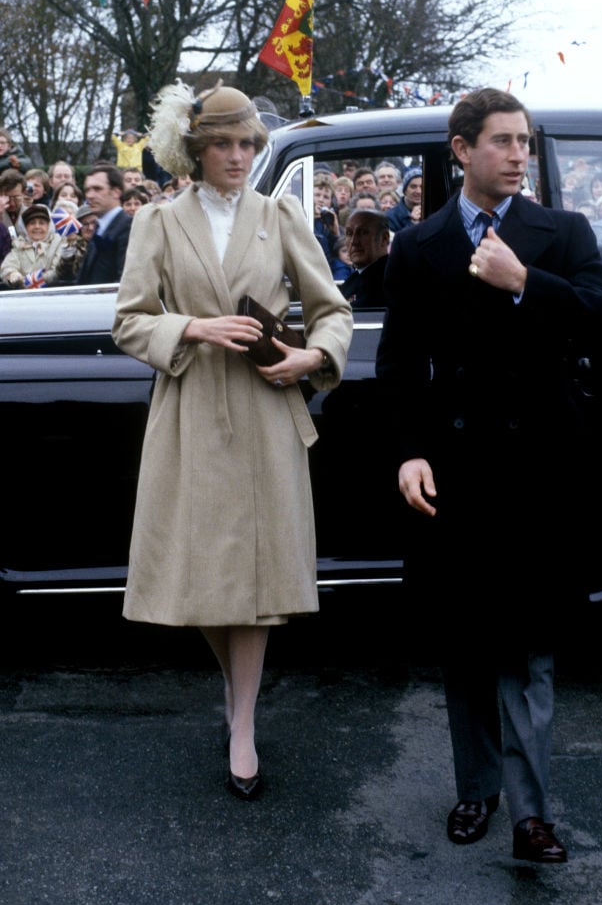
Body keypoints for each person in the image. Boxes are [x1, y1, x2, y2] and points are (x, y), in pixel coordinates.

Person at [376, 88, 602, 864]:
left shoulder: (561, 232)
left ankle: (531, 815)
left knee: (531, 647)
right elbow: (398, 364)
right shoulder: (419, 247)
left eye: (524, 141)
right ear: (462, 151)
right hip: (456, 474)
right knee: (468, 646)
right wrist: (410, 449)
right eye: (502, 141)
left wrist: (523, 280)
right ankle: (475, 789)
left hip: (539, 473)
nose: (519, 154)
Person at [112, 81, 353, 801]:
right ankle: (234, 690)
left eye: (248, 142)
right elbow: (128, 321)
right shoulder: (157, 222)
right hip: (188, 413)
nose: (239, 155)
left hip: (262, 410)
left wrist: (314, 358)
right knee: (205, 576)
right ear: (194, 149)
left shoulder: (278, 214)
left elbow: (331, 309)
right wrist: (193, 327)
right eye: (223, 143)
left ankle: (242, 722)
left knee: (256, 581)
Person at [76, 164, 132, 284]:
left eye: (97, 189)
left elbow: (126, 282)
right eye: (87, 190)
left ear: (116, 192)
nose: (89, 195)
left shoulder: (129, 228)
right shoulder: (99, 228)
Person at [340, 209, 390, 307]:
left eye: (363, 232)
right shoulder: (355, 279)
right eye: (349, 233)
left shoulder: (389, 281)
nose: (354, 242)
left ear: (384, 239)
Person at [388, 166, 422, 231]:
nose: (418, 191)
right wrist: (412, 224)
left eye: (422, 187)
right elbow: (395, 240)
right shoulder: (391, 216)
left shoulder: (434, 213)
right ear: (405, 190)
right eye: (413, 187)